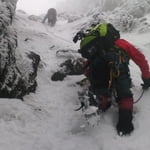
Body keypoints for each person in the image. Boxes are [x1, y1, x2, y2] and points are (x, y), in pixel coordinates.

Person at [74, 23, 150, 136]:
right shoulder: (121, 43)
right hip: (118, 67)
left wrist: (90, 76)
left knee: (101, 90)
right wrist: (146, 78)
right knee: (124, 95)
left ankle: (97, 102)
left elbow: (87, 65)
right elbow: (140, 58)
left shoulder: (97, 46)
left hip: (98, 67)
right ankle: (124, 126)